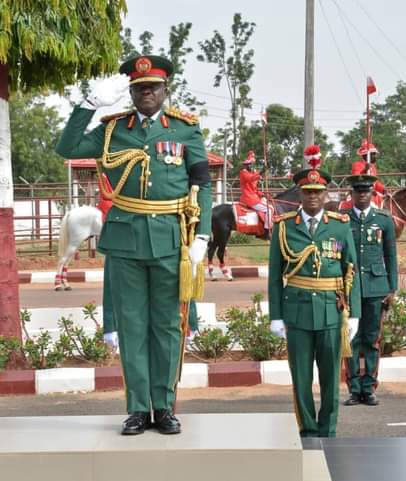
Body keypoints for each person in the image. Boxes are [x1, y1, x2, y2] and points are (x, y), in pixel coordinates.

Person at [56, 55, 212, 435]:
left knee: (168, 326)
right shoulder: (112, 130)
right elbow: (67, 147)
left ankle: (165, 407)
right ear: (131, 92)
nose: (147, 93)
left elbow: (202, 184)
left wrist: (203, 235)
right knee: (132, 326)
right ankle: (139, 408)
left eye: (153, 87)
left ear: (165, 89)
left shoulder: (185, 130)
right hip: (125, 241)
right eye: (140, 88)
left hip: (171, 240)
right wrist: (88, 106)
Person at [268, 164, 361, 438]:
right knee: (301, 377)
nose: (312, 196)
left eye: (317, 192)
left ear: (325, 194)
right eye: (307, 191)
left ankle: (328, 430)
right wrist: (276, 316)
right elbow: (274, 276)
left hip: (332, 312)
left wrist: (354, 314)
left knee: (331, 378)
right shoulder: (284, 227)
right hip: (296, 313)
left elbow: (351, 270)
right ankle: (308, 429)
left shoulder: (339, 226)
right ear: (299, 193)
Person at [341, 173, 397, 407]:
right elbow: (339, 253)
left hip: (376, 287)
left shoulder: (384, 219)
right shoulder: (342, 220)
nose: (362, 195)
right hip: (350, 287)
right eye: (358, 191)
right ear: (351, 194)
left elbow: (390, 255)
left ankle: (369, 387)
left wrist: (392, 288)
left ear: (372, 194)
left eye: (366, 191)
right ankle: (354, 389)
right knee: (351, 339)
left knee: (372, 340)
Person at [239, 150, 272, 235]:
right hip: (249, 198)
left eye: (251, 164)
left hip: (254, 197)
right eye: (249, 164)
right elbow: (251, 178)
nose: (250, 166)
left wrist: (262, 194)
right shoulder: (243, 173)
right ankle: (267, 231)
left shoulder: (252, 173)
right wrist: (261, 172)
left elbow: (254, 189)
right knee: (269, 209)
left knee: (269, 205)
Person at [352, 139, 387, 208]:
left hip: (372, 194)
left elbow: (376, 183)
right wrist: (365, 170)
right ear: (367, 155)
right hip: (361, 193)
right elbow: (356, 179)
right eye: (373, 154)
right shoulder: (357, 164)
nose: (375, 156)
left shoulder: (373, 167)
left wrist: (383, 189)